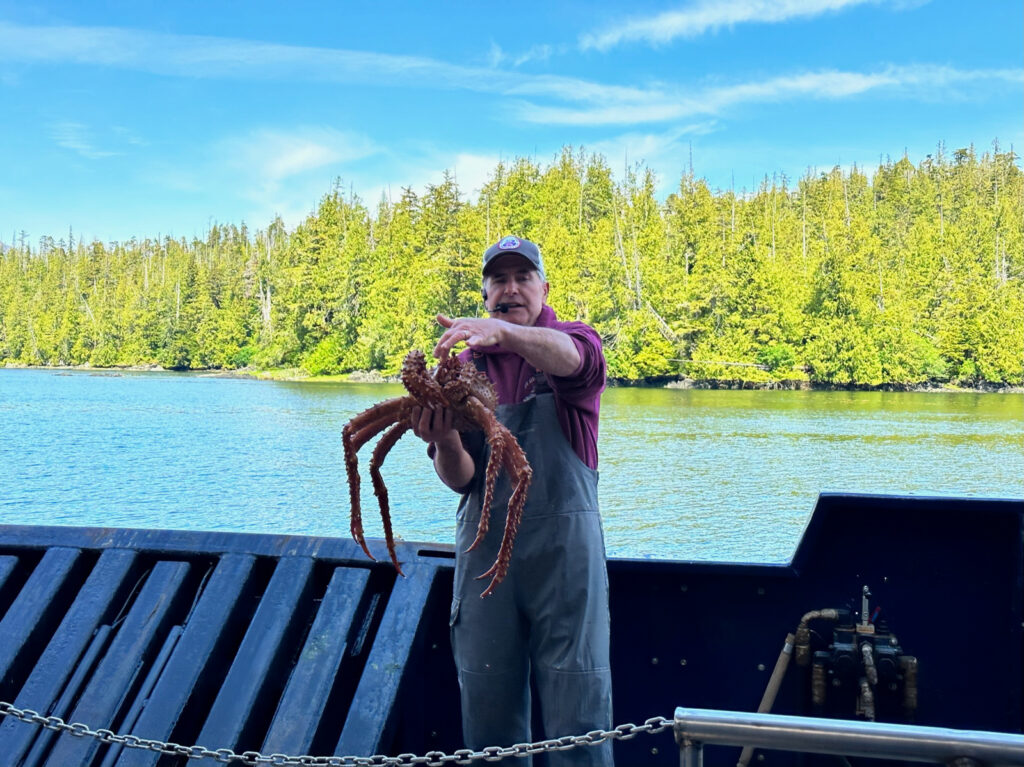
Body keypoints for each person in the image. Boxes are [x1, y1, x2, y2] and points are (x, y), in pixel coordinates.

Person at [409, 235, 614, 766]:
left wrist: (507, 333)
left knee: (580, 715)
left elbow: (576, 363)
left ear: (544, 288)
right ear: (484, 293)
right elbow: (462, 480)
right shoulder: (462, 368)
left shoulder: (571, 340)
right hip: (484, 557)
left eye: (523, 277)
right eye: (499, 279)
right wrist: (447, 440)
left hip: (564, 558)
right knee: (489, 716)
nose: (511, 288)